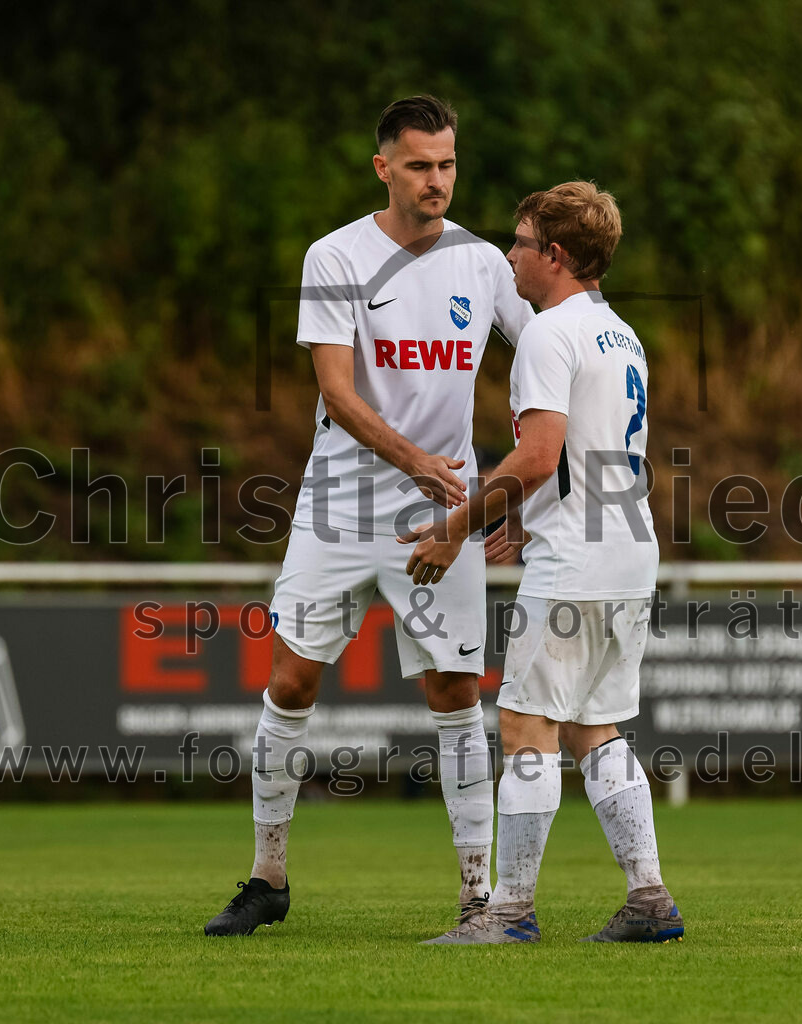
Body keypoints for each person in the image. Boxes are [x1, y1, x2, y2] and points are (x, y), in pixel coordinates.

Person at [204, 96, 534, 936]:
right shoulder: (336, 255)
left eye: (448, 164)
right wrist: (416, 461)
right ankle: (266, 875)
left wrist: (521, 488)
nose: (437, 181)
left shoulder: (484, 262)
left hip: (442, 510)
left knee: (454, 691)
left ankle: (475, 892)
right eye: (420, 165)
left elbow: (544, 363)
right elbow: (336, 393)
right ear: (382, 166)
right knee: (290, 679)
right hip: (340, 504)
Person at [402, 181, 684, 944]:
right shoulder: (619, 333)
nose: (509, 255)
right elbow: (582, 459)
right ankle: (649, 899)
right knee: (597, 729)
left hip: (577, 563)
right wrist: (527, 519)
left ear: (554, 255)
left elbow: (535, 456)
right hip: (627, 552)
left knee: (526, 727)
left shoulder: (546, 333)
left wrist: (456, 528)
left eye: (520, 242)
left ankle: (509, 912)